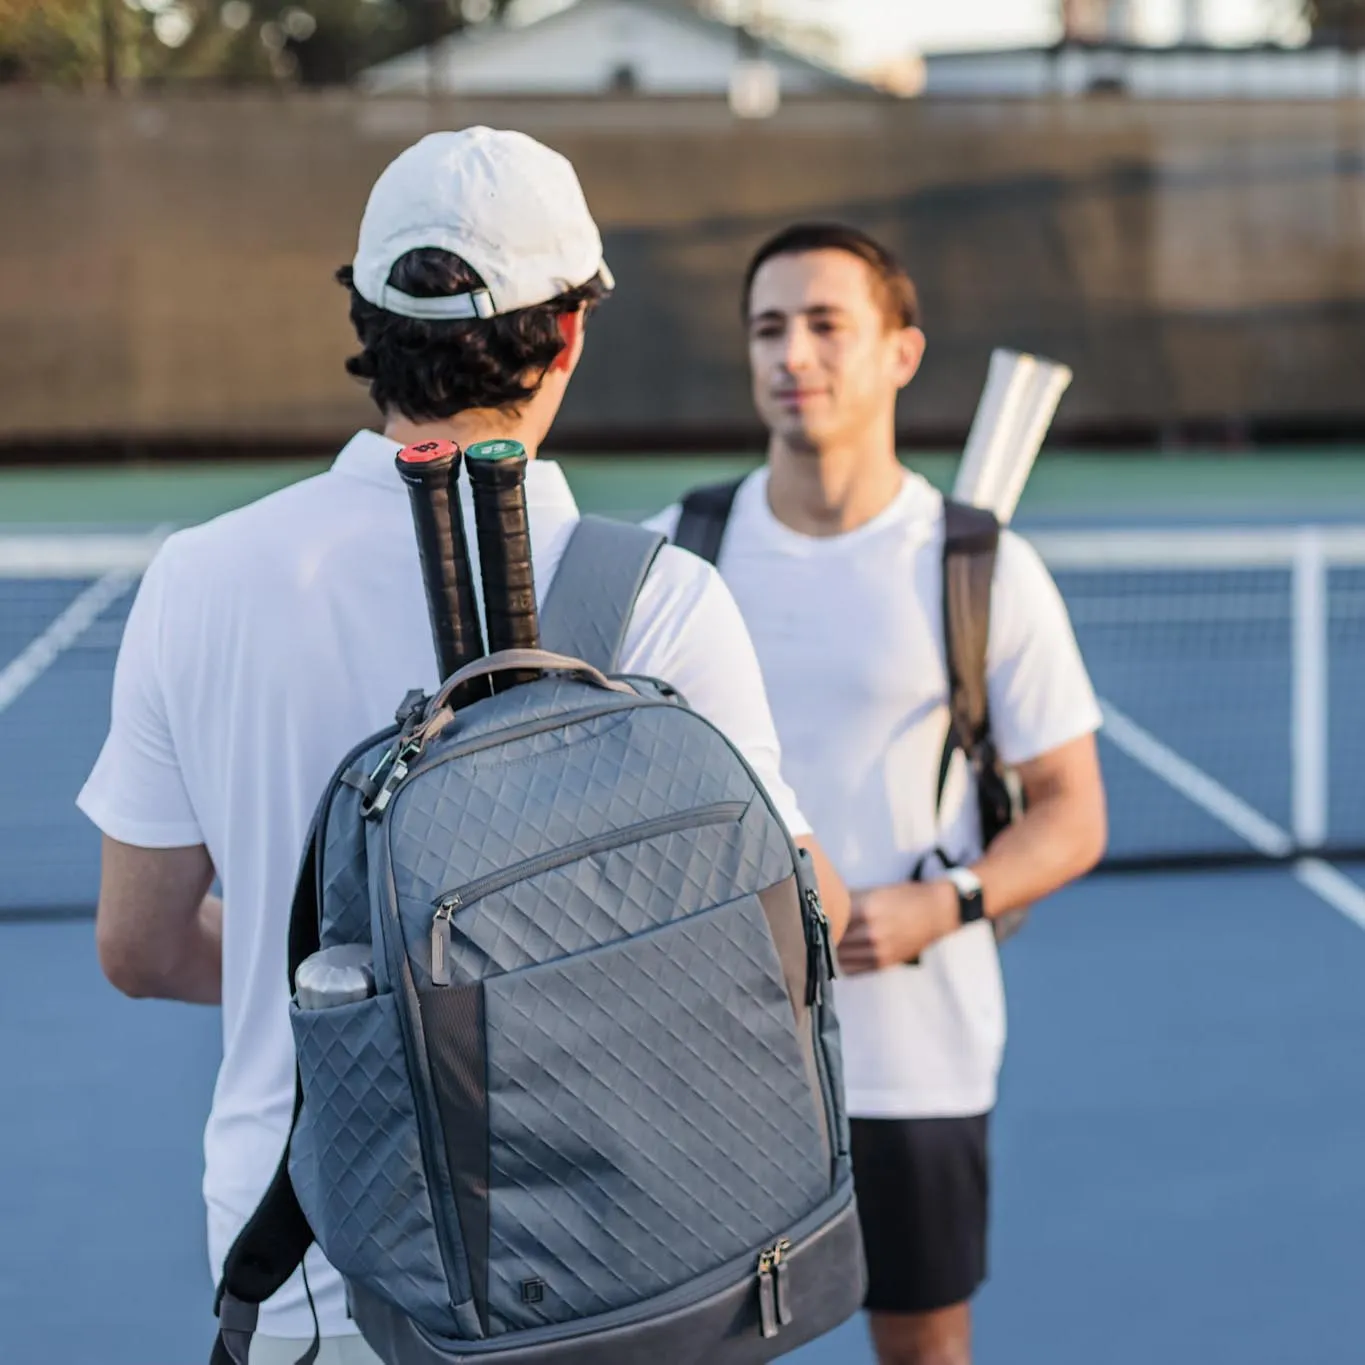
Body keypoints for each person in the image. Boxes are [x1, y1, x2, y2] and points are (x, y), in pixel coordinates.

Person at [76, 131, 848, 1365]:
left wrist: (355, 996)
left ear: (368, 321)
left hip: (307, 1281)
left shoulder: (197, 583)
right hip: (609, 1279)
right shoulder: (664, 600)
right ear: (573, 333)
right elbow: (799, 928)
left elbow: (140, 945)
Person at [648, 223, 1108, 1365]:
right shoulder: (679, 555)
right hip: (715, 1057)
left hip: (918, 1059)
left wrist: (940, 905)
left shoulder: (977, 566)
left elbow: (1072, 811)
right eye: (769, 328)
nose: (792, 352)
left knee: (923, 1344)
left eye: (824, 325)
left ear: (901, 354)